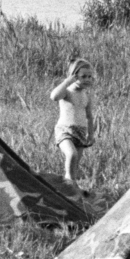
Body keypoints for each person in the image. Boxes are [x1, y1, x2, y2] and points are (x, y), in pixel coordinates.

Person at [50, 58, 97, 188]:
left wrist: (91, 135)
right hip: (65, 130)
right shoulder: (67, 91)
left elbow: (89, 116)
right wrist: (66, 82)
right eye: (83, 76)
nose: (87, 79)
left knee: (75, 164)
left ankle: (71, 186)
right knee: (72, 154)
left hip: (80, 132)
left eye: (90, 76)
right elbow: (54, 97)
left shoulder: (86, 95)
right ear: (73, 76)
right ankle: (68, 182)